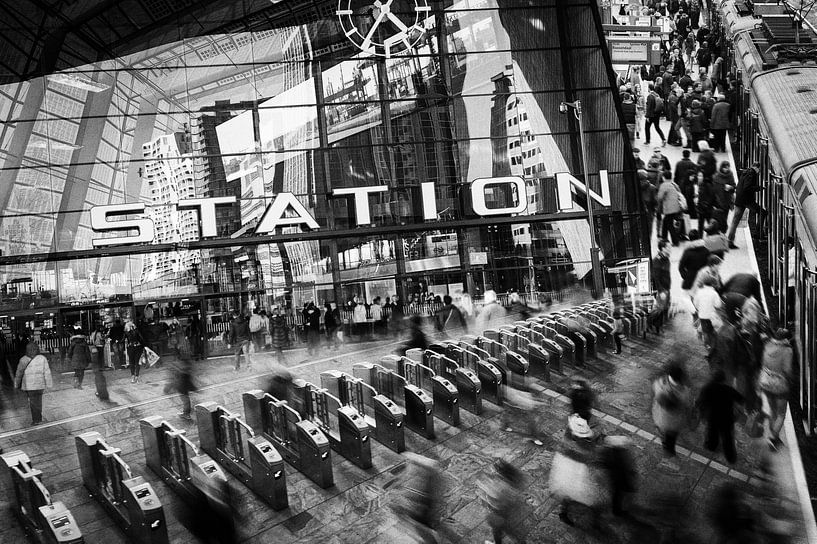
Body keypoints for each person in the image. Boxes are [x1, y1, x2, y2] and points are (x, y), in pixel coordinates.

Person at [697, 370, 743, 465]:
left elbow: (699, 402)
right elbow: (741, 399)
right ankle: (730, 457)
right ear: (723, 379)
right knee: (727, 437)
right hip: (727, 418)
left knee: (712, 432)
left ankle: (711, 446)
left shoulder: (707, 388)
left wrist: (702, 413)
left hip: (712, 417)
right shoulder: (728, 389)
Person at [759, 329, 794, 451]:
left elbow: (763, 363)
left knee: (773, 412)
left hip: (766, 383)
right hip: (780, 386)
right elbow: (787, 370)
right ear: (786, 339)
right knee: (781, 414)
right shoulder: (787, 350)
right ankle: (772, 438)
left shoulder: (767, 345)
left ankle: (775, 437)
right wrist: (790, 380)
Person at [652, 361, 691, 460]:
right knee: (671, 438)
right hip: (674, 422)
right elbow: (687, 405)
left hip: (660, 417)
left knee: (665, 435)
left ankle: (666, 447)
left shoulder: (659, 383)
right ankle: (670, 452)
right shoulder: (684, 392)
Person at [483, 459, 528, 544]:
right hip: (510, 515)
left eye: (497, 471)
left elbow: (496, 501)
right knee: (511, 533)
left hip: (501, 515)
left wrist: (488, 494)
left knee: (500, 530)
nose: (494, 472)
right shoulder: (513, 483)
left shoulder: (502, 487)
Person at [726, 162, 763, 248]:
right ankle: (757, 234)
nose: (759, 171)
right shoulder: (751, 174)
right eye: (759, 169)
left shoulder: (745, 172)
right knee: (763, 213)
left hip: (739, 199)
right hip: (746, 200)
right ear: (757, 168)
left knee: (735, 221)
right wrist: (758, 188)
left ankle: (729, 241)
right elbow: (747, 187)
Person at [14, 342, 52, 425]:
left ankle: (35, 420)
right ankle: (39, 418)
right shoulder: (42, 358)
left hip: (29, 386)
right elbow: (47, 372)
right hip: (40, 385)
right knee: (39, 401)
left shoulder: (23, 359)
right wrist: (49, 384)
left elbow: (19, 373)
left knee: (32, 402)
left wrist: (16, 384)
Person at [693, 274, 722, 354]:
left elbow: (695, 303)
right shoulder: (714, 293)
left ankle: (707, 345)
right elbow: (718, 305)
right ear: (712, 284)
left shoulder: (699, 292)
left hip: (702, 316)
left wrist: (700, 308)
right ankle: (714, 346)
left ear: (704, 283)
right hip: (711, 316)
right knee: (712, 330)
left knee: (705, 331)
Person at [712, 161, 735, 235]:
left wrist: (731, 187)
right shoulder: (716, 176)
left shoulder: (730, 175)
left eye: (728, 168)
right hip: (717, 202)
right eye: (725, 168)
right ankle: (717, 233)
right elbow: (713, 190)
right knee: (718, 219)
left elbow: (734, 186)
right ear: (722, 167)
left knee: (724, 219)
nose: (726, 169)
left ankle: (723, 234)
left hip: (727, 202)